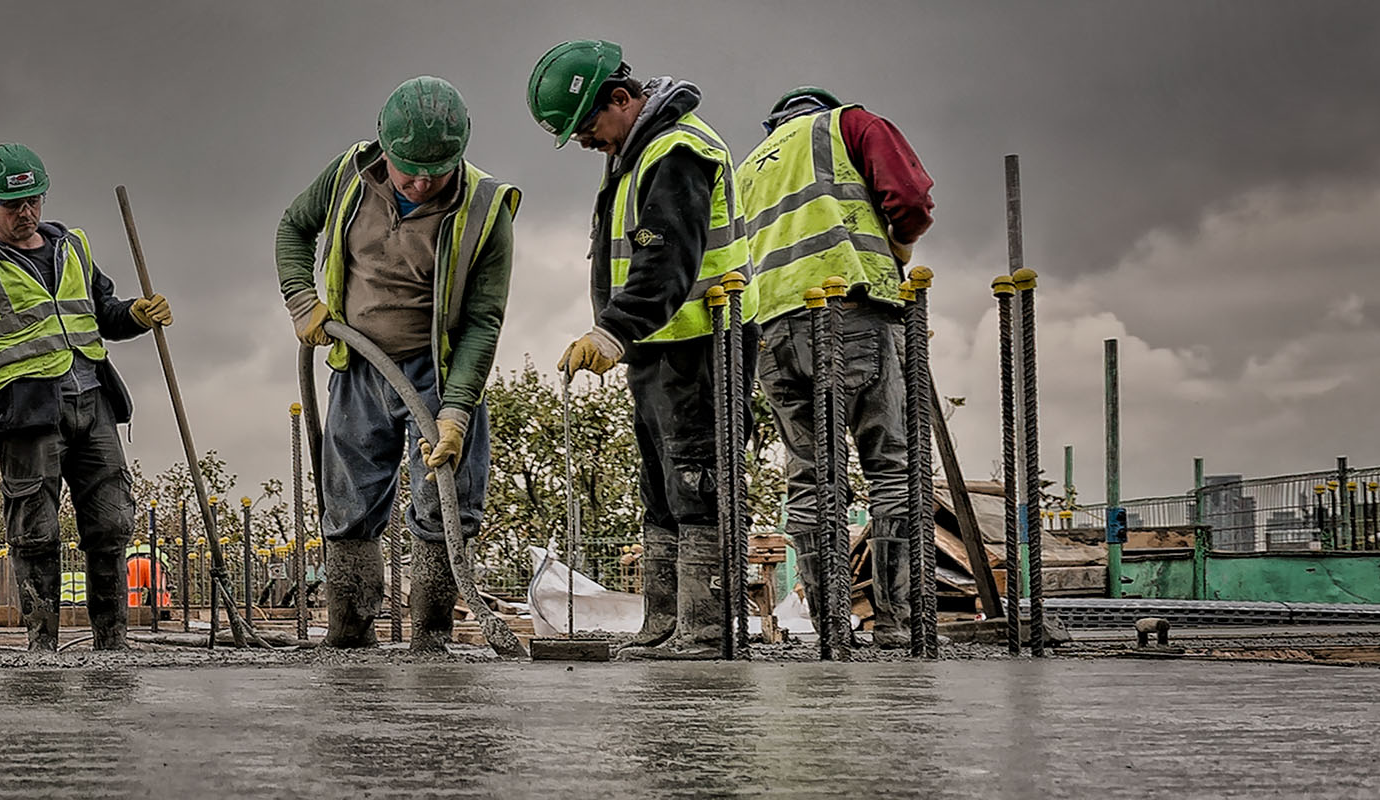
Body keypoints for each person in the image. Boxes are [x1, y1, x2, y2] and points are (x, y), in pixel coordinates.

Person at [270, 76, 523, 652]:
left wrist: (458, 410)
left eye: (436, 170)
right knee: (349, 504)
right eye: (409, 167)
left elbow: (485, 319)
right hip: (358, 364)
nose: (421, 181)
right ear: (384, 147)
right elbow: (293, 226)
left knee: (447, 500)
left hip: (439, 370)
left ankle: (431, 641)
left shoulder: (487, 208)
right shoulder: (346, 176)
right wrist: (300, 298)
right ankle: (349, 638)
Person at [524, 40, 750, 660]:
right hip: (659, 345)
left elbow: (667, 259)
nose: (584, 143)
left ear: (622, 99)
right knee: (661, 482)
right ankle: (663, 624)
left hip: (704, 341)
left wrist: (612, 330)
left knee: (698, 476)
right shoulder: (636, 152)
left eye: (587, 127)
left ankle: (704, 631)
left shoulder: (677, 151)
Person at [0, 143, 173, 651]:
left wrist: (135, 314)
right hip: (27, 416)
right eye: (12, 205)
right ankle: (42, 644)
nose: (25, 214)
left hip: (94, 404)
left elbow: (103, 313)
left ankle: (112, 641)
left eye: (33, 202)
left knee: (112, 523)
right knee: (35, 532)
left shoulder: (74, 248)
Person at [736, 86, 936, 648]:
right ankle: (899, 625)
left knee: (811, 475)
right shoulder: (849, 126)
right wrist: (899, 245)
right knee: (892, 469)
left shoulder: (748, 167)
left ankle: (830, 629)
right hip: (852, 315)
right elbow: (911, 198)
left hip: (771, 333)